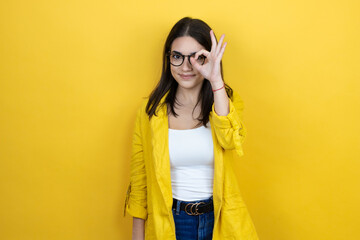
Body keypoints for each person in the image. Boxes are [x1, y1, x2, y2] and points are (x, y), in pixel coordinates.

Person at [124, 17, 259, 240]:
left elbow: (231, 140)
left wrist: (216, 81)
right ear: (168, 59)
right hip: (172, 222)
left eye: (197, 58)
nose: (186, 67)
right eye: (177, 57)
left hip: (220, 221)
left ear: (210, 59)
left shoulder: (226, 102)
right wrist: (137, 236)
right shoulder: (150, 112)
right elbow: (140, 180)